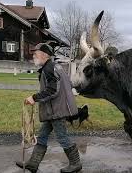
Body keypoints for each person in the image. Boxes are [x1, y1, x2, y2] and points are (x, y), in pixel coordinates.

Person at [16, 43, 82, 173]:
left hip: (56, 111)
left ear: (44, 55)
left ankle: (76, 163)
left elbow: (52, 90)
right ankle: (33, 164)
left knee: (62, 137)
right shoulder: (55, 66)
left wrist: (34, 98)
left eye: (36, 53)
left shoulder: (49, 68)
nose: (33, 55)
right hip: (54, 110)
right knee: (42, 136)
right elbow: (67, 84)